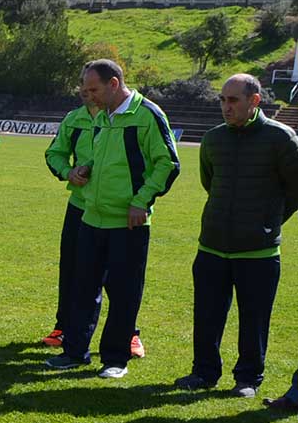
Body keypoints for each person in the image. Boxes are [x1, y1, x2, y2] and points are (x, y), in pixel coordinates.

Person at [48, 59, 180, 379]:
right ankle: (75, 353)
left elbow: (168, 164)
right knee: (82, 289)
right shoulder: (102, 118)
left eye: (94, 89)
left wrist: (141, 201)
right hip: (91, 217)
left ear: (114, 84)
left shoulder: (147, 115)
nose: (89, 95)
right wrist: (80, 170)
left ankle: (115, 359)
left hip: (128, 222)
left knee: (123, 293)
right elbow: (100, 159)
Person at [170, 74, 298, 398]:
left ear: (254, 101)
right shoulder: (213, 139)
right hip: (212, 245)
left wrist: (268, 222)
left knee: (254, 320)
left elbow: (295, 190)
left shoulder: (282, 139)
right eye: (222, 100)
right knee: (207, 315)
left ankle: (247, 379)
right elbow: (209, 182)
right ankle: (203, 372)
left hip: (258, 252)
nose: (226, 107)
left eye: (233, 100)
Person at [41, 84, 102, 347]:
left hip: (118, 209)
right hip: (79, 206)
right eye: (82, 86)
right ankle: (63, 327)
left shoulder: (122, 118)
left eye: (92, 87)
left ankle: (129, 334)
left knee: (118, 276)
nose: (84, 91)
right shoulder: (73, 118)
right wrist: (68, 172)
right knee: (71, 269)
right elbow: (54, 153)